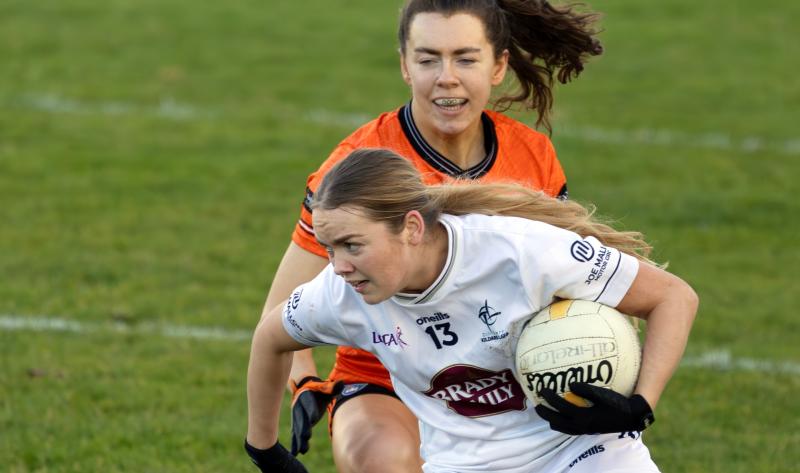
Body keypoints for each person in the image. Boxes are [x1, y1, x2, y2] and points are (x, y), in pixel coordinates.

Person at [261, 1, 605, 470]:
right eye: (428, 59)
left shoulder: (532, 155)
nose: (446, 78)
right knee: (382, 459)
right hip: (383, 377)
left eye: (465, 59)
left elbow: (575, 282)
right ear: (405, 65)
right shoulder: (355, 166)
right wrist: (304, 382)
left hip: (503, 374)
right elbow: (283, 309)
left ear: (498, 65)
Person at [245, 149, 699, 473]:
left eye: (352, 245)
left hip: (582, 452)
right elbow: (270, 338)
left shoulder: (519, 251)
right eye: (329, 248)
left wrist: (640, 405)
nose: (338, 266)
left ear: (411, 227)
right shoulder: (340, 293)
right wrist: (265, 450)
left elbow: (673, 297)